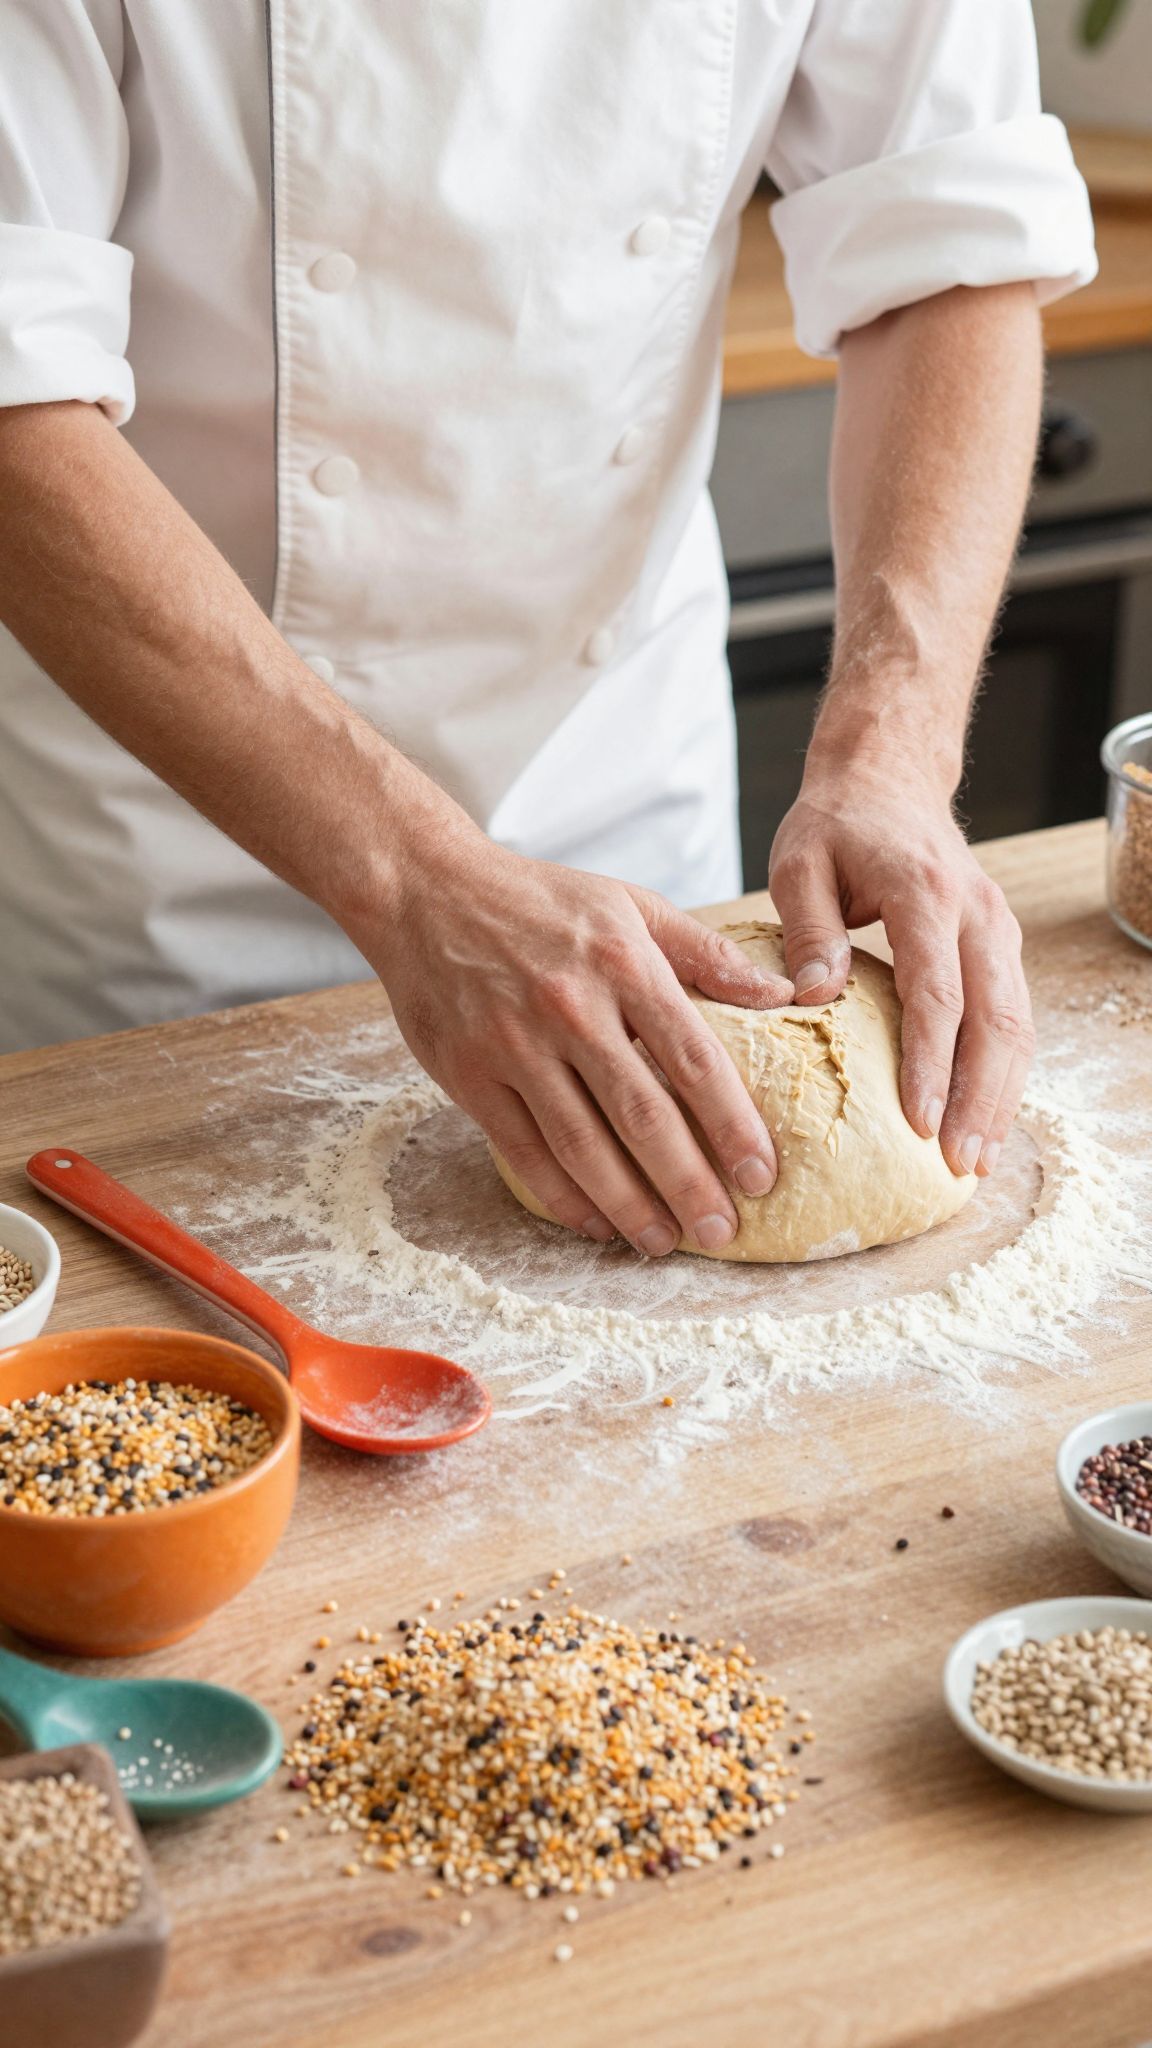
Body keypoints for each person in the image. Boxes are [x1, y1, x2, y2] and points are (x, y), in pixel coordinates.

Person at [0, 3, 1095, 1258]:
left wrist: (893, 748)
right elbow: (12, 391)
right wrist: (416, 877)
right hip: (167, 844)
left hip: (621, 792)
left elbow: (944, 248)